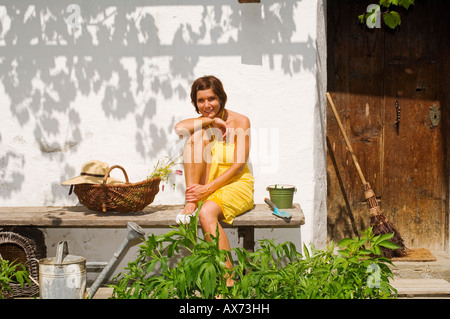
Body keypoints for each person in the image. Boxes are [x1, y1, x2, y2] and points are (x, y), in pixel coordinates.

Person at [174, 75, 254, 285]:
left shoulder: (240, 121)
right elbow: (179, 128)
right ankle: (191, 201)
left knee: (207, 212)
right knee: (195, 135)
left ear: (221, 98)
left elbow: (238, 166)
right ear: (195, 102)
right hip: (208, 186)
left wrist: (207, 189)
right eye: (201, 101)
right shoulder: (205, 122)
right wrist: (210, 121)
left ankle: (228, 281)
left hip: (235, 183)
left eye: (212, 99)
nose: (207, 105)